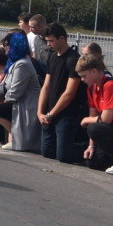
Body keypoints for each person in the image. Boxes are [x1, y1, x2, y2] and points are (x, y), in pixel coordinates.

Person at [38, 22, 87, 164]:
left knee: (64, 156)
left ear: (62, 39)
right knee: (47, 152)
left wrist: (51, 114)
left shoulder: (73, 59)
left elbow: (69, 93)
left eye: (51, 40)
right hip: (49, 112)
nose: (48, 44)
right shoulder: (52, 57)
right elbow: (46, 86)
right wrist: (40, 112)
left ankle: (93, 149)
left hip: (67, 113)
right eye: (47, 41)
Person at [0, 39, 41, 151]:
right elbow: (4, 82)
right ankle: (13, 137)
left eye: (6, 46)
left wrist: (4, 102)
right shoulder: (13, 61)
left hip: (26, 103)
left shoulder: (22, 64)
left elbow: (16, 89)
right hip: (17, 100)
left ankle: (15, 138)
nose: (4, 48)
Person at [78, 54, 113, 173]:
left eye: (84, 76)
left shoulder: (110, 86)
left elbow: (106, 118)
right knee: (93, 162)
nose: (82, 79)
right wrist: (91, 146)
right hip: (111, 129)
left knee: (92, 127)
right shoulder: (91, 88)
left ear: (94, 71)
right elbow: (94, 116)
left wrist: (87, 120)